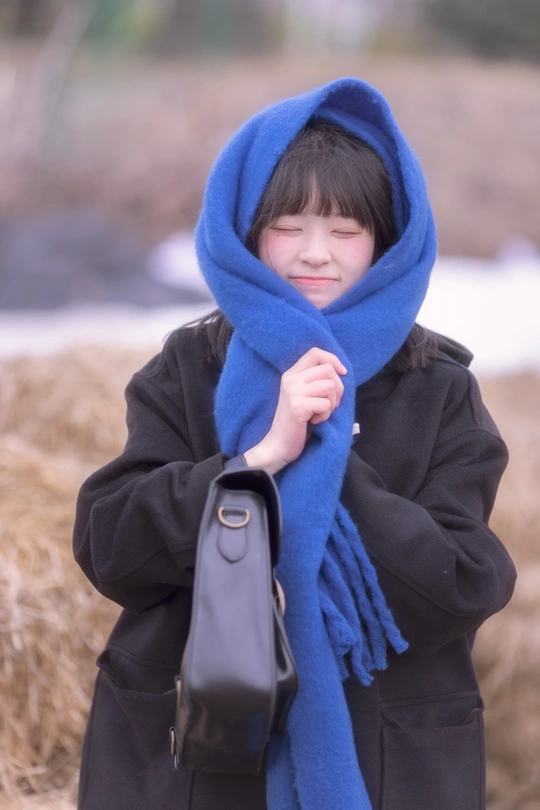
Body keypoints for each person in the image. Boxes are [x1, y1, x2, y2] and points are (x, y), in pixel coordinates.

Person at [72, 78, 517, 810]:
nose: (317, 254)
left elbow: (465, 582)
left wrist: (330, 463)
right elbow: (111, 547)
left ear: (386, 242)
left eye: (346, 230)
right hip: (199, 764)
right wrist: (257, 461)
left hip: (384, 763)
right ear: (248, 231)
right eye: (289, 225)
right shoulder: (187, 370)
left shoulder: (438, 389)